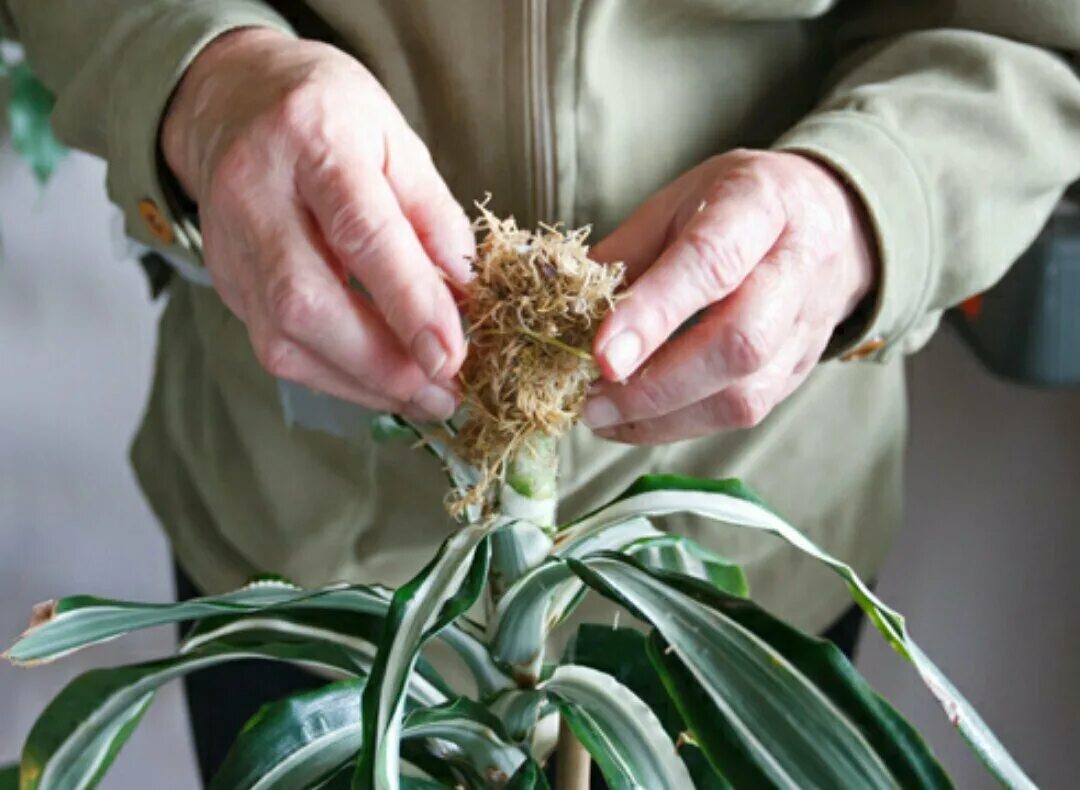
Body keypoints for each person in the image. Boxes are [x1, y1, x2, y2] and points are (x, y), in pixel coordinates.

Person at [4, 0, 1078, 783]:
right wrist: (207, 77)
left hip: (733, 588)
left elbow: (1023, 33)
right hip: (304, 577)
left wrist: (870, 194)